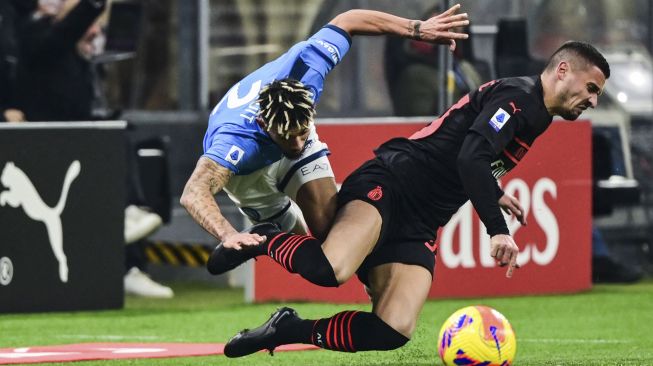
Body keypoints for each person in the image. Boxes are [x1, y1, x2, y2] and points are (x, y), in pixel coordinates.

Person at [209, 40, 610, 357]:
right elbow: (472, 157)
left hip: (422, 221)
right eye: (591, 88)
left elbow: (470, 155)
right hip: (393, 183)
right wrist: (496, 230)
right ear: (562, 70)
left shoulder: (535, 110)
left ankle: (290, 328)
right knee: (331, 269)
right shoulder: (520, 98)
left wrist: (495, 192)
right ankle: (264, 238)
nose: (593, 100)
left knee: (393, 328)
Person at [180, 6, 469, 252]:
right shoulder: (235, 141)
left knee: (330, 232)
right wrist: (229, 235)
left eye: (301, 132)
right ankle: (266, 241)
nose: (295, 144)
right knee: (299, 248)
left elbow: (349, 20)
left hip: (279, 130)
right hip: (249, 175)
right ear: (263, 124)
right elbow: (194, 193)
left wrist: (417, 28)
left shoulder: (309, 68)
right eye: (287, 136)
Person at [14, 0, 172, 297]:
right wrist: (86, 7)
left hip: (83, 134)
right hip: (48, 140)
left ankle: (131, 262)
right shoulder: (31, 30)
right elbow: (59, 38)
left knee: (130, 141)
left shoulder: (75, 37)